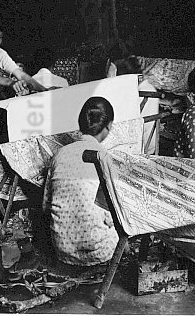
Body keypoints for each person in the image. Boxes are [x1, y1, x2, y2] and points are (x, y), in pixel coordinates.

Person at [43, 97, 119, 266]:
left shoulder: (60, 154)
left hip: (62, 248)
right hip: (99, 251)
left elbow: (46, 204)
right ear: (109, 125)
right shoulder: (104, 157)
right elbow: (112, 215)